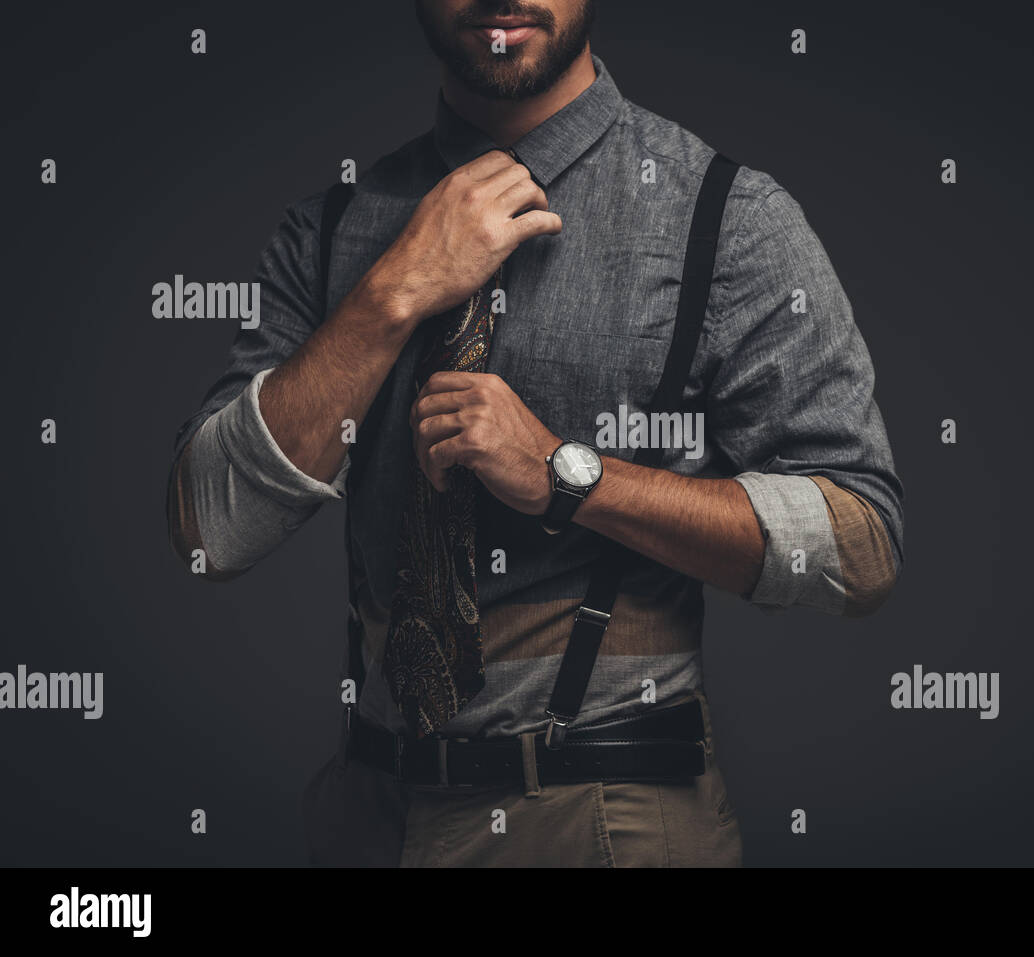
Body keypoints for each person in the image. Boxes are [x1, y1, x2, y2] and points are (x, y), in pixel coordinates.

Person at [165, 0, 904, 867]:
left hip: (603, 818)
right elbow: (208, 534)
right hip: (368, 813)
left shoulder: (727, 216)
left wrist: (570, 475)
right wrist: (393, 290)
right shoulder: (333, 230)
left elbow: (861, 544)